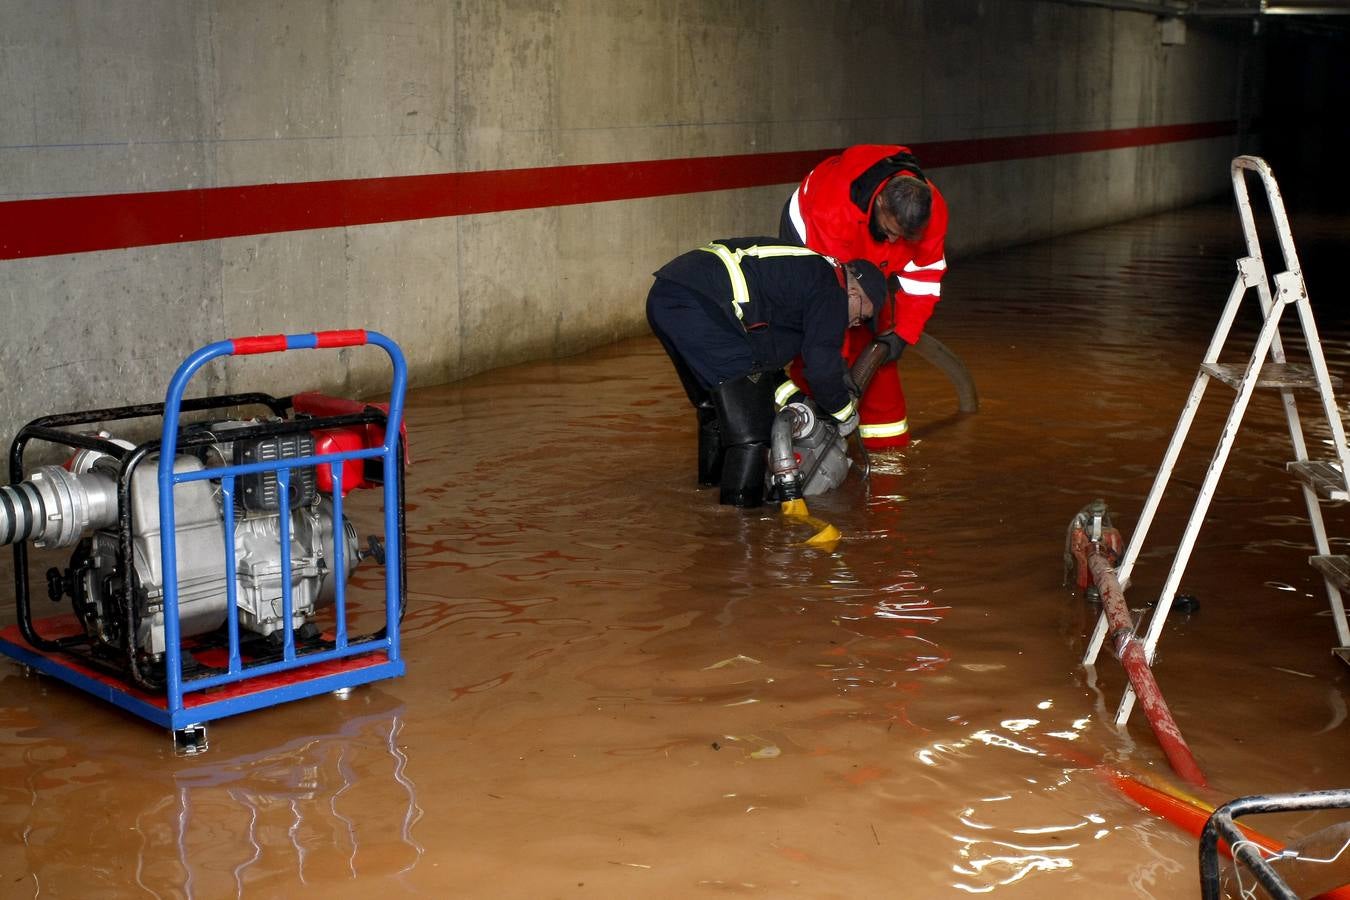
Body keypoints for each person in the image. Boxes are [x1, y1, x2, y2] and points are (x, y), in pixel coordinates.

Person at [647, 238, 887, 508]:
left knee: (716, 409)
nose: (856, 325)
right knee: (752, 431)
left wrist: (796, 401)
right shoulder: (832, 290)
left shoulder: (809, 276)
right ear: (855, 295)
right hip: (701, 304)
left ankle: (708, 499)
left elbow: (759, 367)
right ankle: (740, 525)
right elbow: (821, 367)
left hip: (668, 296)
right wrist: (844, 412)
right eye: (863, 317)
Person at [780, 145, 949, 450]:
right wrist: (834, 365)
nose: (896, 241)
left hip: (864, 246)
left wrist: (901, 334)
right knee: (817, 354)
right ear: (881, 201)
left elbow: (923, 279)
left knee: (878, 340)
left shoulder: (930, 213)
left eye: (905, 237)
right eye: (890, 231)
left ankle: (887, 450)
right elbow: (827, 301)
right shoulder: (831, 210)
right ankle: (808, 431)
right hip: (815, 239)